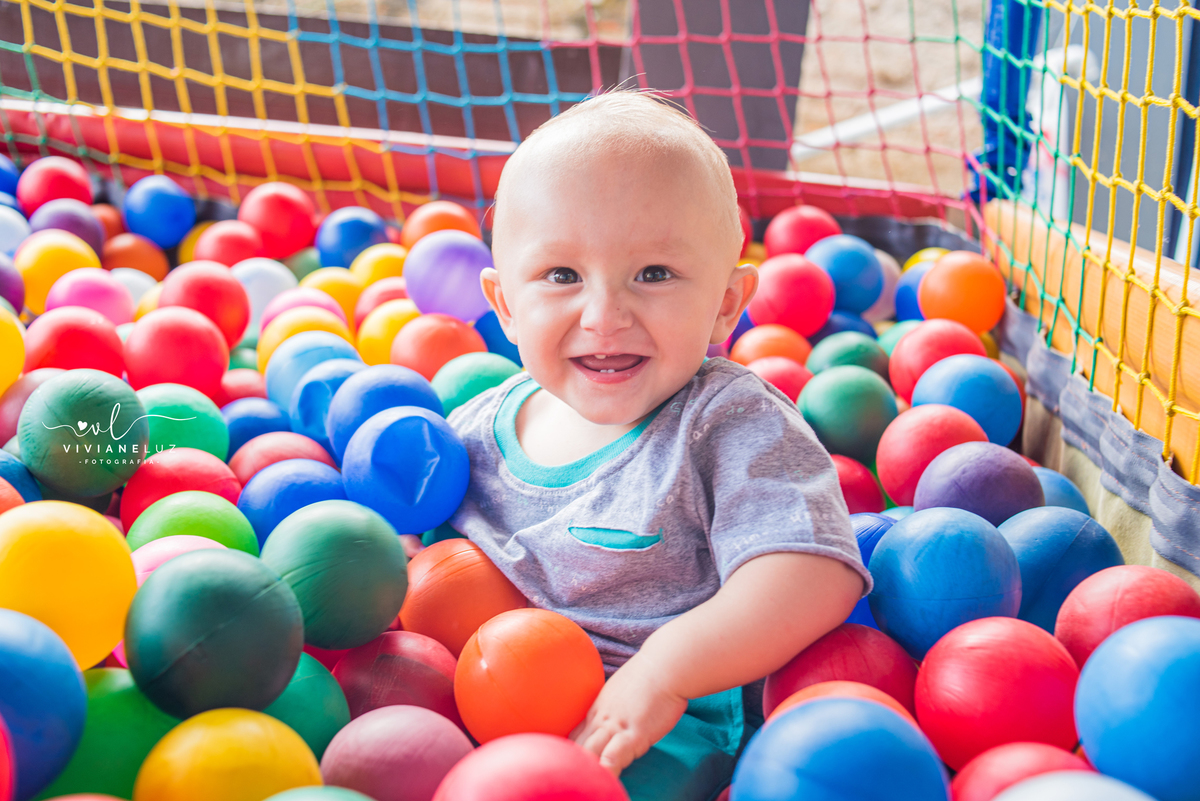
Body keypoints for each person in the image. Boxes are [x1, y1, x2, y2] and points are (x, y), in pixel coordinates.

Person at [447, 90, 869, 801]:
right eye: (561, 275)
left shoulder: (725, 422)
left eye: (654, 274)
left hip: (657, 724)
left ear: (728, 303)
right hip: (472, 704)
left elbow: (812, 572)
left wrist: (665, 670)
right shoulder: (473, 431)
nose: (604, 316)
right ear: (505, 304)